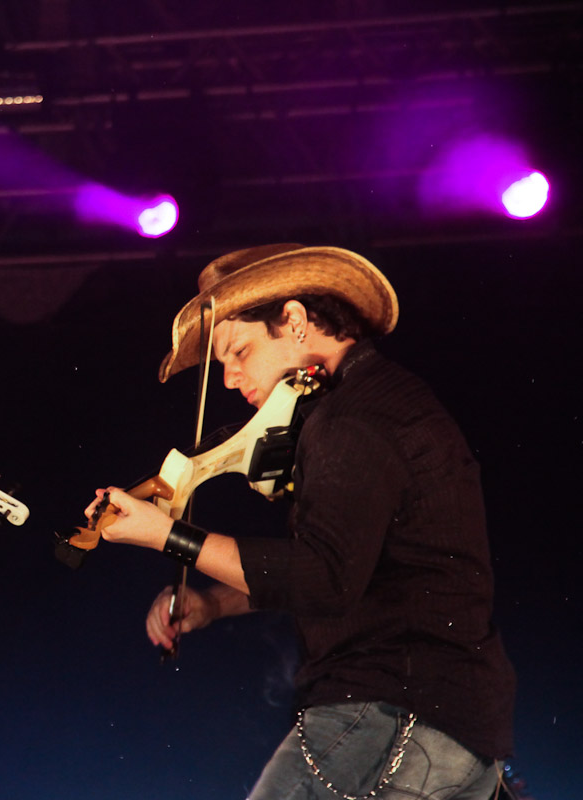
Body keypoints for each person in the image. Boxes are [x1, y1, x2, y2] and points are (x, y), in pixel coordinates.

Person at [86, 244, 516, 799]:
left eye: (238, 351)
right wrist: (216, 602)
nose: (229, 378)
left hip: (389, 710)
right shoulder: (376, 403)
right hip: (454, 725)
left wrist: (167, 534)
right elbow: (353, 568)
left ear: (293, 320)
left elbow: (323, 578)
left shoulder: (352, 420)